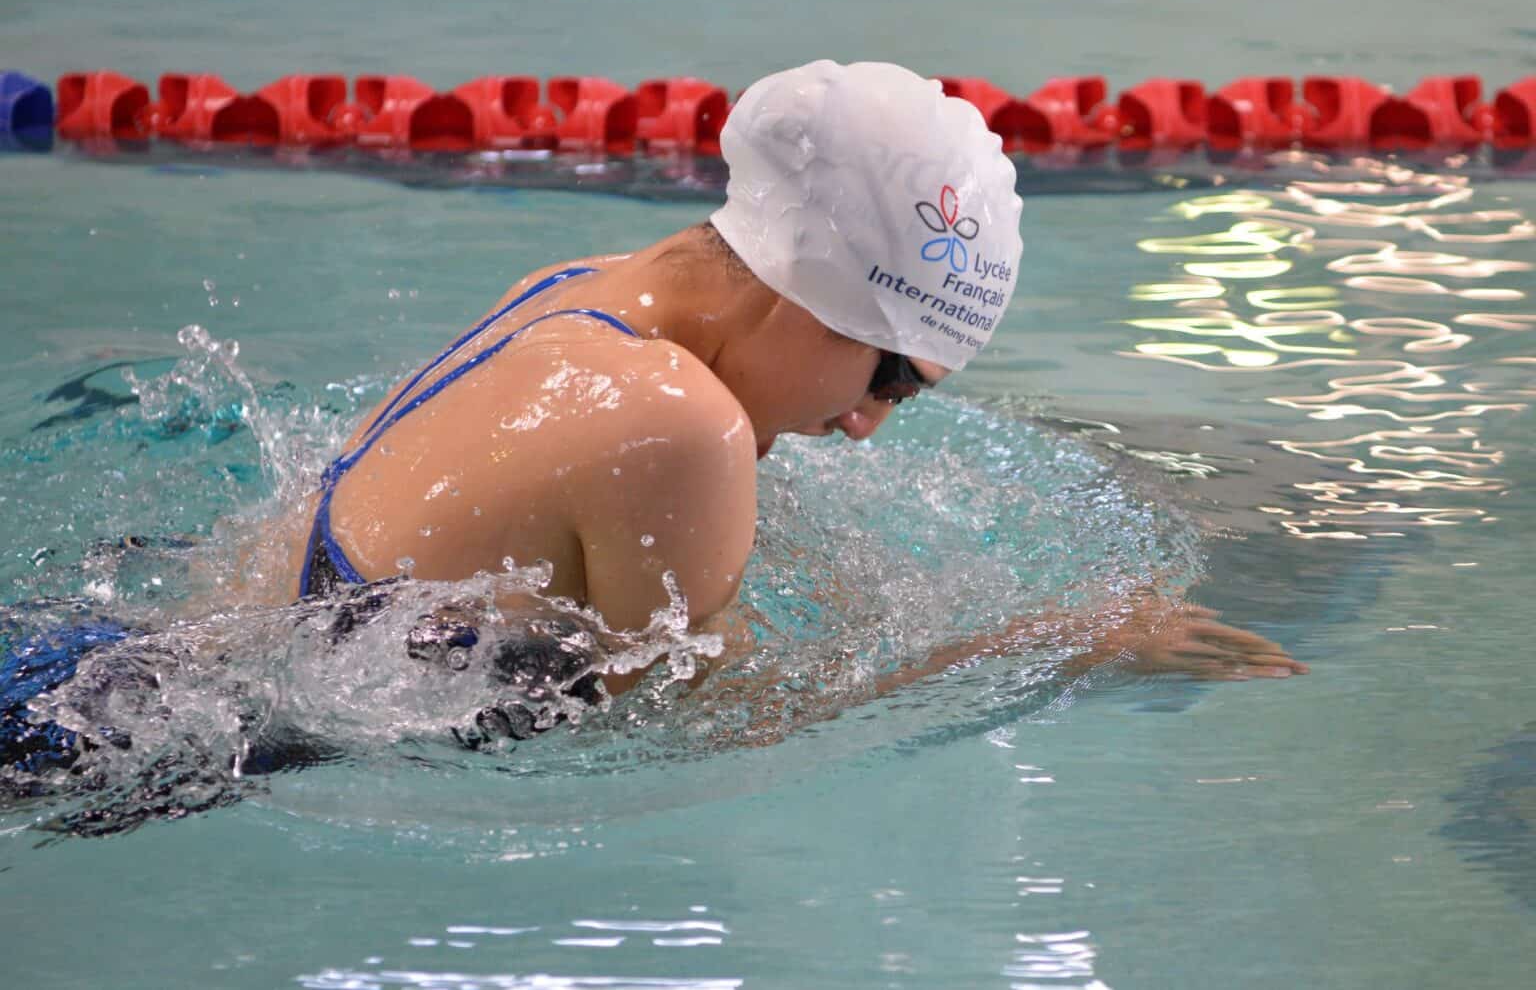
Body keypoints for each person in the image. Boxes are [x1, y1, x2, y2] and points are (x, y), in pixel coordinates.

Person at [281, 60, 1307, 701]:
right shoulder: (678, 422)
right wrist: (1048, 646)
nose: (864, 425)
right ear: (814, 299)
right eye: (891, 378)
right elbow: (705, 732)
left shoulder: (574, 290)